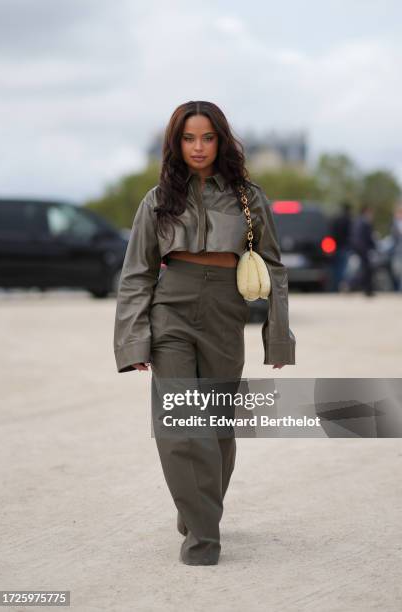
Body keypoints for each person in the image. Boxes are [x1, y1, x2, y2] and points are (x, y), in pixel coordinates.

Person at [113, 100, 296, 566]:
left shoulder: (247, 197)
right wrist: (133, 340)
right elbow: (137, 274)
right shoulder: (157, 200)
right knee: (179, 426)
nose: (198, 147)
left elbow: (273, 266)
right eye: (188, 138)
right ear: (175, 144)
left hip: (224, 311)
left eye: (207, 137)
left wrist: (277, 335)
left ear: (221, 141)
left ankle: (196, 510)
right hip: (170, 308)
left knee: (216, 428)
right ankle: (203, 538)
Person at [349, 204, 377, 297]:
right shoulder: (364, 222)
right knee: (366, 270)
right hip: (363, 249)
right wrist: (371, 248)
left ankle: (362, 288)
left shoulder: (358, 221)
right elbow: (366, 237)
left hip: (360, 248)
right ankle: (361, 288)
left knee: (364, 270)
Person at [329, 201, 353, 291]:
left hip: (334, 247)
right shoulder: (347, 219)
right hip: (344, 247)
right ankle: (338, 287)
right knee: (342, 269)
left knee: (335, 269)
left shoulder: (335, 219)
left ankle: (333, 288)